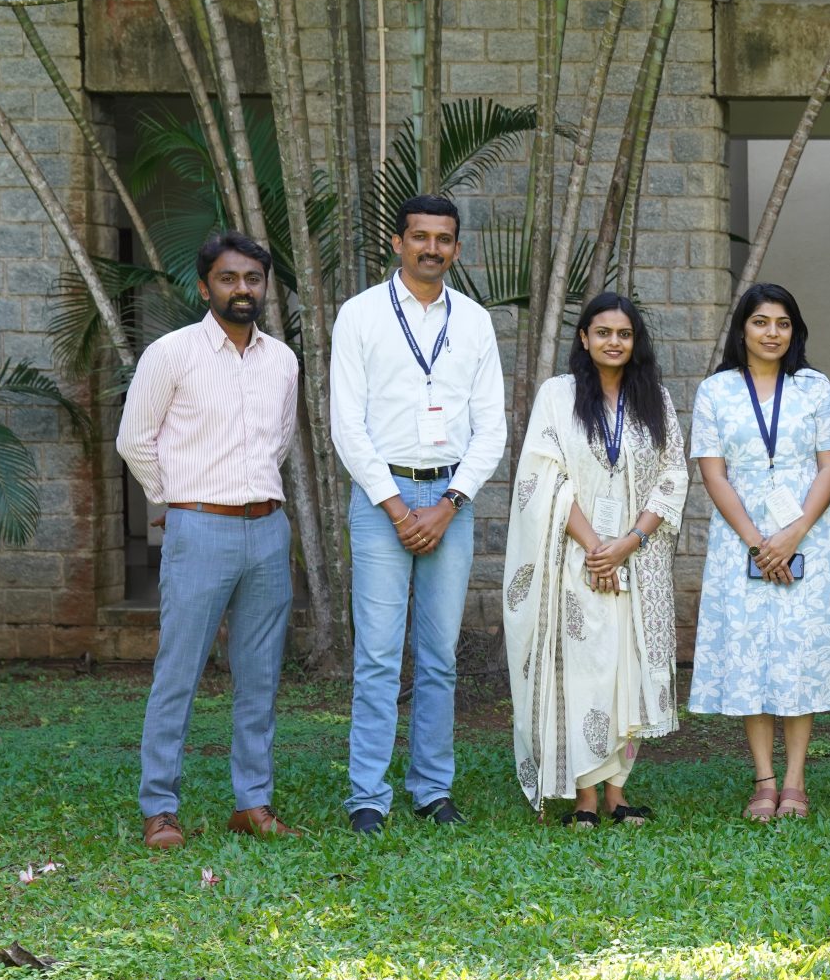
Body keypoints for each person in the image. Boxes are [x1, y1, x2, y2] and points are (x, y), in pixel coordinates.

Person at [117, 231, 300, 850]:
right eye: (228, 278)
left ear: (263, 286)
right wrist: (175, 502)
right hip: (200, 528)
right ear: (205, 286)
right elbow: (134, 440)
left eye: (252, 278)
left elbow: (278, 440)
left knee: (260, 673)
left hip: (268, 530)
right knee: (180, 670)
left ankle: (252, 801)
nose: (242, 289)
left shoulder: (282, 360)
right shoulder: (170, 354)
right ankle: (160, 807)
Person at [330, 193, 506, 834]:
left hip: (450, 504)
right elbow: (346, 425)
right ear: (399, 243)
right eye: (420, 236)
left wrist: (450, 504)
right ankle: (367, 797)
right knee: (378, 656)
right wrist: (401, 508)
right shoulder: (361, 316)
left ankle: (432, 788)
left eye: (444, 238)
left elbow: (492, 428)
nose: (432, 248)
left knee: (438, 657)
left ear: (456, 248)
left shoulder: (476, 322)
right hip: (383, 502)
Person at [502, 293, 688, 825]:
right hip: (572, 558)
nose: (613, 342)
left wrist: (628, 542)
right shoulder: (557, 396)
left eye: (623, 334)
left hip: (638, 558)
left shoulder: (655, 398)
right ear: (583, 338)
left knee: (628, 671)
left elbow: (674, 475)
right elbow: (543, 474)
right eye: (602, 332)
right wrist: (595, 549)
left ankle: (617, 794)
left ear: (635, 343)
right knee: (582, 672)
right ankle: (584, 797)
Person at [689, 285, 830, 821]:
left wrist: (792, 534)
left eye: (782, 323)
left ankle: (795, 780)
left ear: (794, 330)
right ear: (743, 328)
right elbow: (712, 472)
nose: (771, 333)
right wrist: (760, 542)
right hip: (740, 539)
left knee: (799, 655)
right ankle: (763, 780)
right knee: (750, 656)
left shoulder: (813, 387)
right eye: (761, 322)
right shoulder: (716, 391)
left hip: (807, 536)